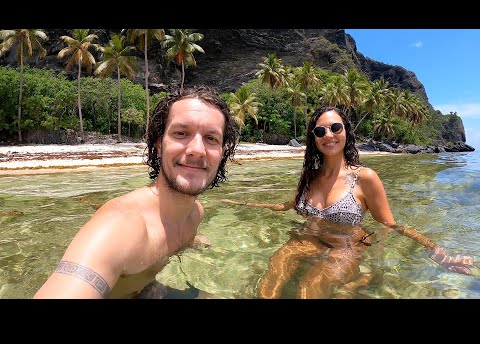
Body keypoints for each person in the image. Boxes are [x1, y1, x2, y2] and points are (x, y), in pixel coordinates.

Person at [223, 106, 474, 299]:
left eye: (335, 128)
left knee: (307, 290)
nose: (328, 135)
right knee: (269, 284)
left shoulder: (365, 178)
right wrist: (246, 204)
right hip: (304, 240)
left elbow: (390, 225)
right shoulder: (309, 178)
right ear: (314, 138)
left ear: (346, 132)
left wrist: (437, 252)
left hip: (345, 247)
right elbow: (288, 206)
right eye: (320, 131)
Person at [34, 86, 238, 299]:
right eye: (181, 133)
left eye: (211, 138)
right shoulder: (121, 227)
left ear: (222, 152)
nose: (197, 149)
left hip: (147, 291)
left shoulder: (195, 214)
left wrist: (194, 240)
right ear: (159, 145)